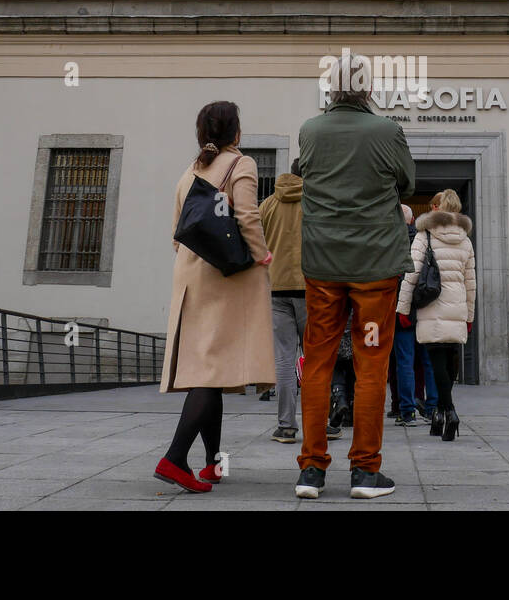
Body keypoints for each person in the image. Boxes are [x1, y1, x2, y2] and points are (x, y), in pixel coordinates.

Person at [295, 51, 415, 500]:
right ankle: (365, 471)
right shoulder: (387, 131)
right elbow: (406, 182)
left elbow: (301, 172)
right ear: (368, 89)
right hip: (374, 268)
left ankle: (311, 469)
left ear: (331, 88)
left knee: (319, 361)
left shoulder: (310, 130)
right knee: (370, 364)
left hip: (323, 265)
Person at [155, 101, 275, 493]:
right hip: (224, 277)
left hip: (190, 275)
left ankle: (211, 464)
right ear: (236, 133)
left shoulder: (191, 170)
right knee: (211, 370)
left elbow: (177, 233)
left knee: (210, 367)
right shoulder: (241, 164)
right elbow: (246, 215)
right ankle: (175, 458)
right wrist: (262, 254)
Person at [396, 189, 475, 442]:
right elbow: (471, 282)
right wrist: (470, 316)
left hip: (432, 305)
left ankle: (449, 411)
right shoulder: (465, 239)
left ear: (437, 209)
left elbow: (411, 274)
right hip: (457, 305)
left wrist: (403, 308)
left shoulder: (424, 234)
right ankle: (439, 413)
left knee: (435, 359)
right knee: (449, 360)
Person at [260, 158, 306, 443]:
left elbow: (252, 239)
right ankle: (321, 422)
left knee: (284, 358)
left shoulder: (267, 204)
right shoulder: (315, 202)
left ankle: (286, 426)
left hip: (276, 288)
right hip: (311, 288)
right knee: (316, 359)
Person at [392, 203, 438, 426]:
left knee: (404, 361)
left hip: (403, 309)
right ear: (411, 221)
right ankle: (432, 408)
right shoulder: (426, 239)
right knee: (429, 361)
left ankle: (407, 410)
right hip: (425, 306)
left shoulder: (392, 240)